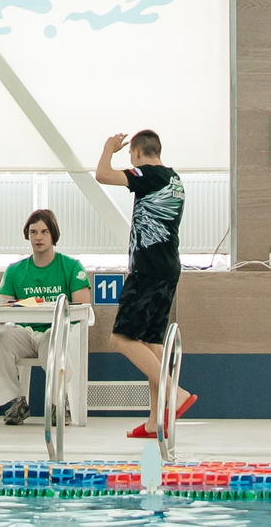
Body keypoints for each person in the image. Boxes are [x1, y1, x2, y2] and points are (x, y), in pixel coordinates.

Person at [96, 128, 193, 434]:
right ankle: (156, 421)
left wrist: (108, 149)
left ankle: (174, 393)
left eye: (130, 155)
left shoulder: (147, 174)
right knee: (151, 342)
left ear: (137, 153)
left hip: (147, 271)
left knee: (121, 338)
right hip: (168, 269)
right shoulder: (175, 180)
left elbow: (102, 175)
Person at [0, 208, 89, 426]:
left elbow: (82, 306)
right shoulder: (14, 270)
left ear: (53, 235)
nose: (38, 237)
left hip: (55, 331)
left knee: (53, 341)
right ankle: (17, 401)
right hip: (24, 332)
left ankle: (58, 403)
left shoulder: (71, 266)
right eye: (33, 232)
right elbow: (4, 309)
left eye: (44, 232)